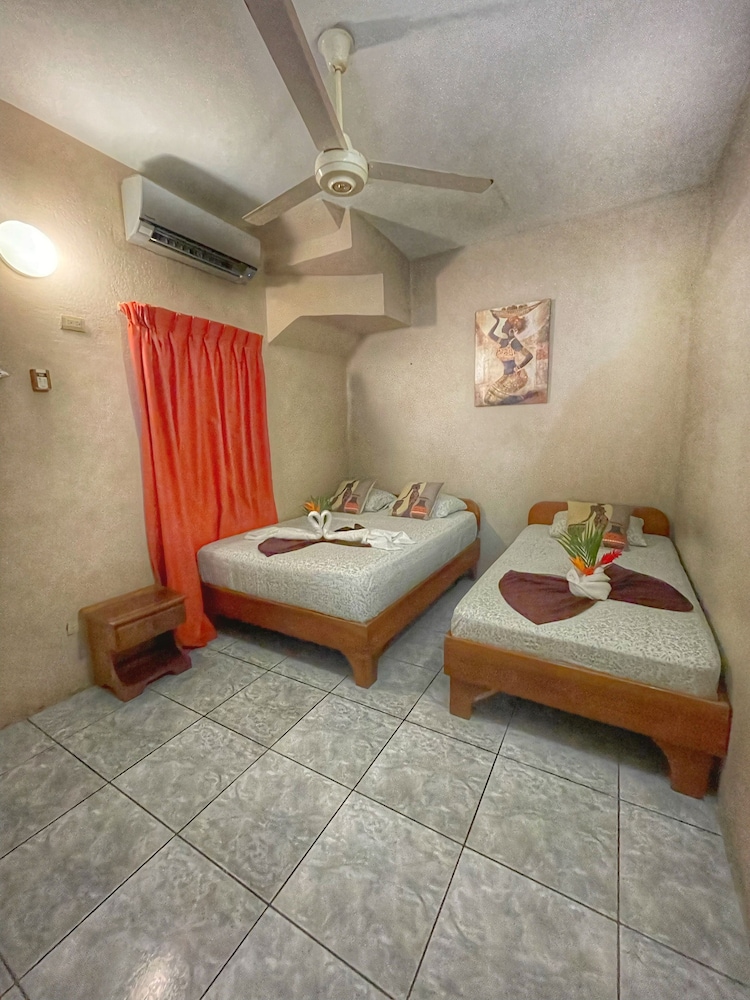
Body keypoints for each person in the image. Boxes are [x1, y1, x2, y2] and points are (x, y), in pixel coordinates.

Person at [484, 309, 534, 404]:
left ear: (511, 328)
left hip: (514, 377)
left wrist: (518, 367)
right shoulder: (503, 341)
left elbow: (529, 356)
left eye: (505, 324)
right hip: (505, 376)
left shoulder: (514, 342)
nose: (503, 325)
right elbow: (490, 334)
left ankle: (524, 397)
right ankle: (523, 396)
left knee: (492, 401)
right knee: (487, 399)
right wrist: (497, 321)